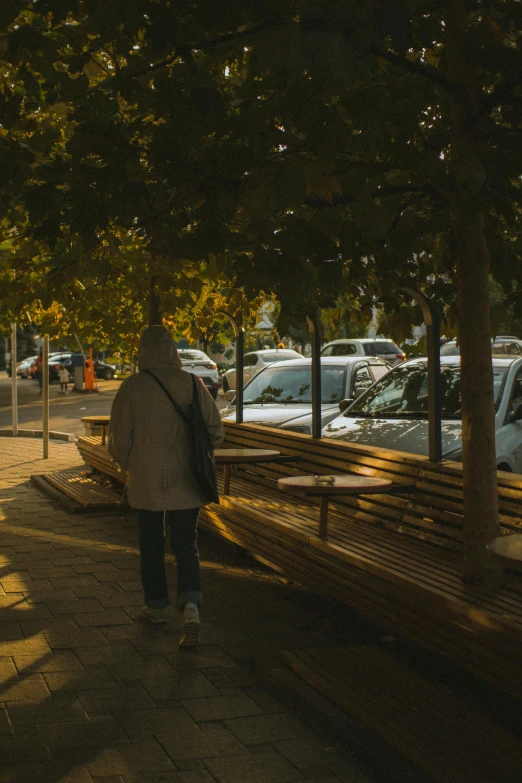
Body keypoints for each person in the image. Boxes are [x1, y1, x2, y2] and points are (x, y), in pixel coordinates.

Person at [108, 325, 224, 647]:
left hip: (145, 479)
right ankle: (190, 606)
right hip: (186, 477)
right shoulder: (191, 383)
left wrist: (126, 464)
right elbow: (215, 429)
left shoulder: (131, 387)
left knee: (150, 542)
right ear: (173, 349)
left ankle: (155, 605)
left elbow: (119, 439)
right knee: (186, 542)